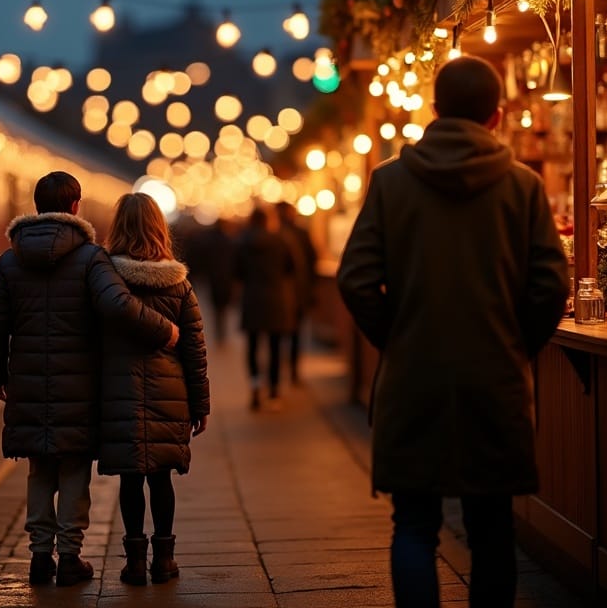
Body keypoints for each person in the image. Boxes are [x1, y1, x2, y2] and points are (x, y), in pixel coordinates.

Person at [336, 55, 569, 608]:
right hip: (495, 385)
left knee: (414, 525)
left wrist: (397, 338)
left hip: (413, 383)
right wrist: (514, 346)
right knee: (492, 528)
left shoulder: (391, 182)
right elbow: (550, 287)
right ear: (497, 115)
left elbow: (356, 279)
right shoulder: (523, 187)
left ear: (434, 111)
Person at [0, 171, 180, 588]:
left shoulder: (9, 260)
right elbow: (119, 306)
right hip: (79, 385)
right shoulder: (90, 258)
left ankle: (38, 556)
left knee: (38, 469)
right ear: (75, 207)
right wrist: (166, 331)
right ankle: (69, 556)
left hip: (29, 383)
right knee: (73, 468)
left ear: (35, 206)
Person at [97, 192, 210, 586]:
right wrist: (201, 404)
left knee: (131, 479)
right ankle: (165, 561)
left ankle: (133, 564)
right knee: (161, 478)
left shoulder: (105, 278)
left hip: (119, 394)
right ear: (160, 228)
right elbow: (195, 348)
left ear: (118, 228)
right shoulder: (178, 283)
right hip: (171, 395)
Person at [233, 205, 298, 409]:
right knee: (275, 346)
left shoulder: (242, 243)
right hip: (276, 299)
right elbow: (292, 268)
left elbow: (236, 272)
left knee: (252, 345)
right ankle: (274, 392)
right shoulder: (281, 241)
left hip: (252, 298)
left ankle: (254, 386)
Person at [275, 201, 317, 384]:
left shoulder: (274, 234)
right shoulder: (300, 233)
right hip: (297, 291)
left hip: (283, 293)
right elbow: (312, 260)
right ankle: (292, 370)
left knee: (280, 335)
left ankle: (283, 370)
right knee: (295, 333)